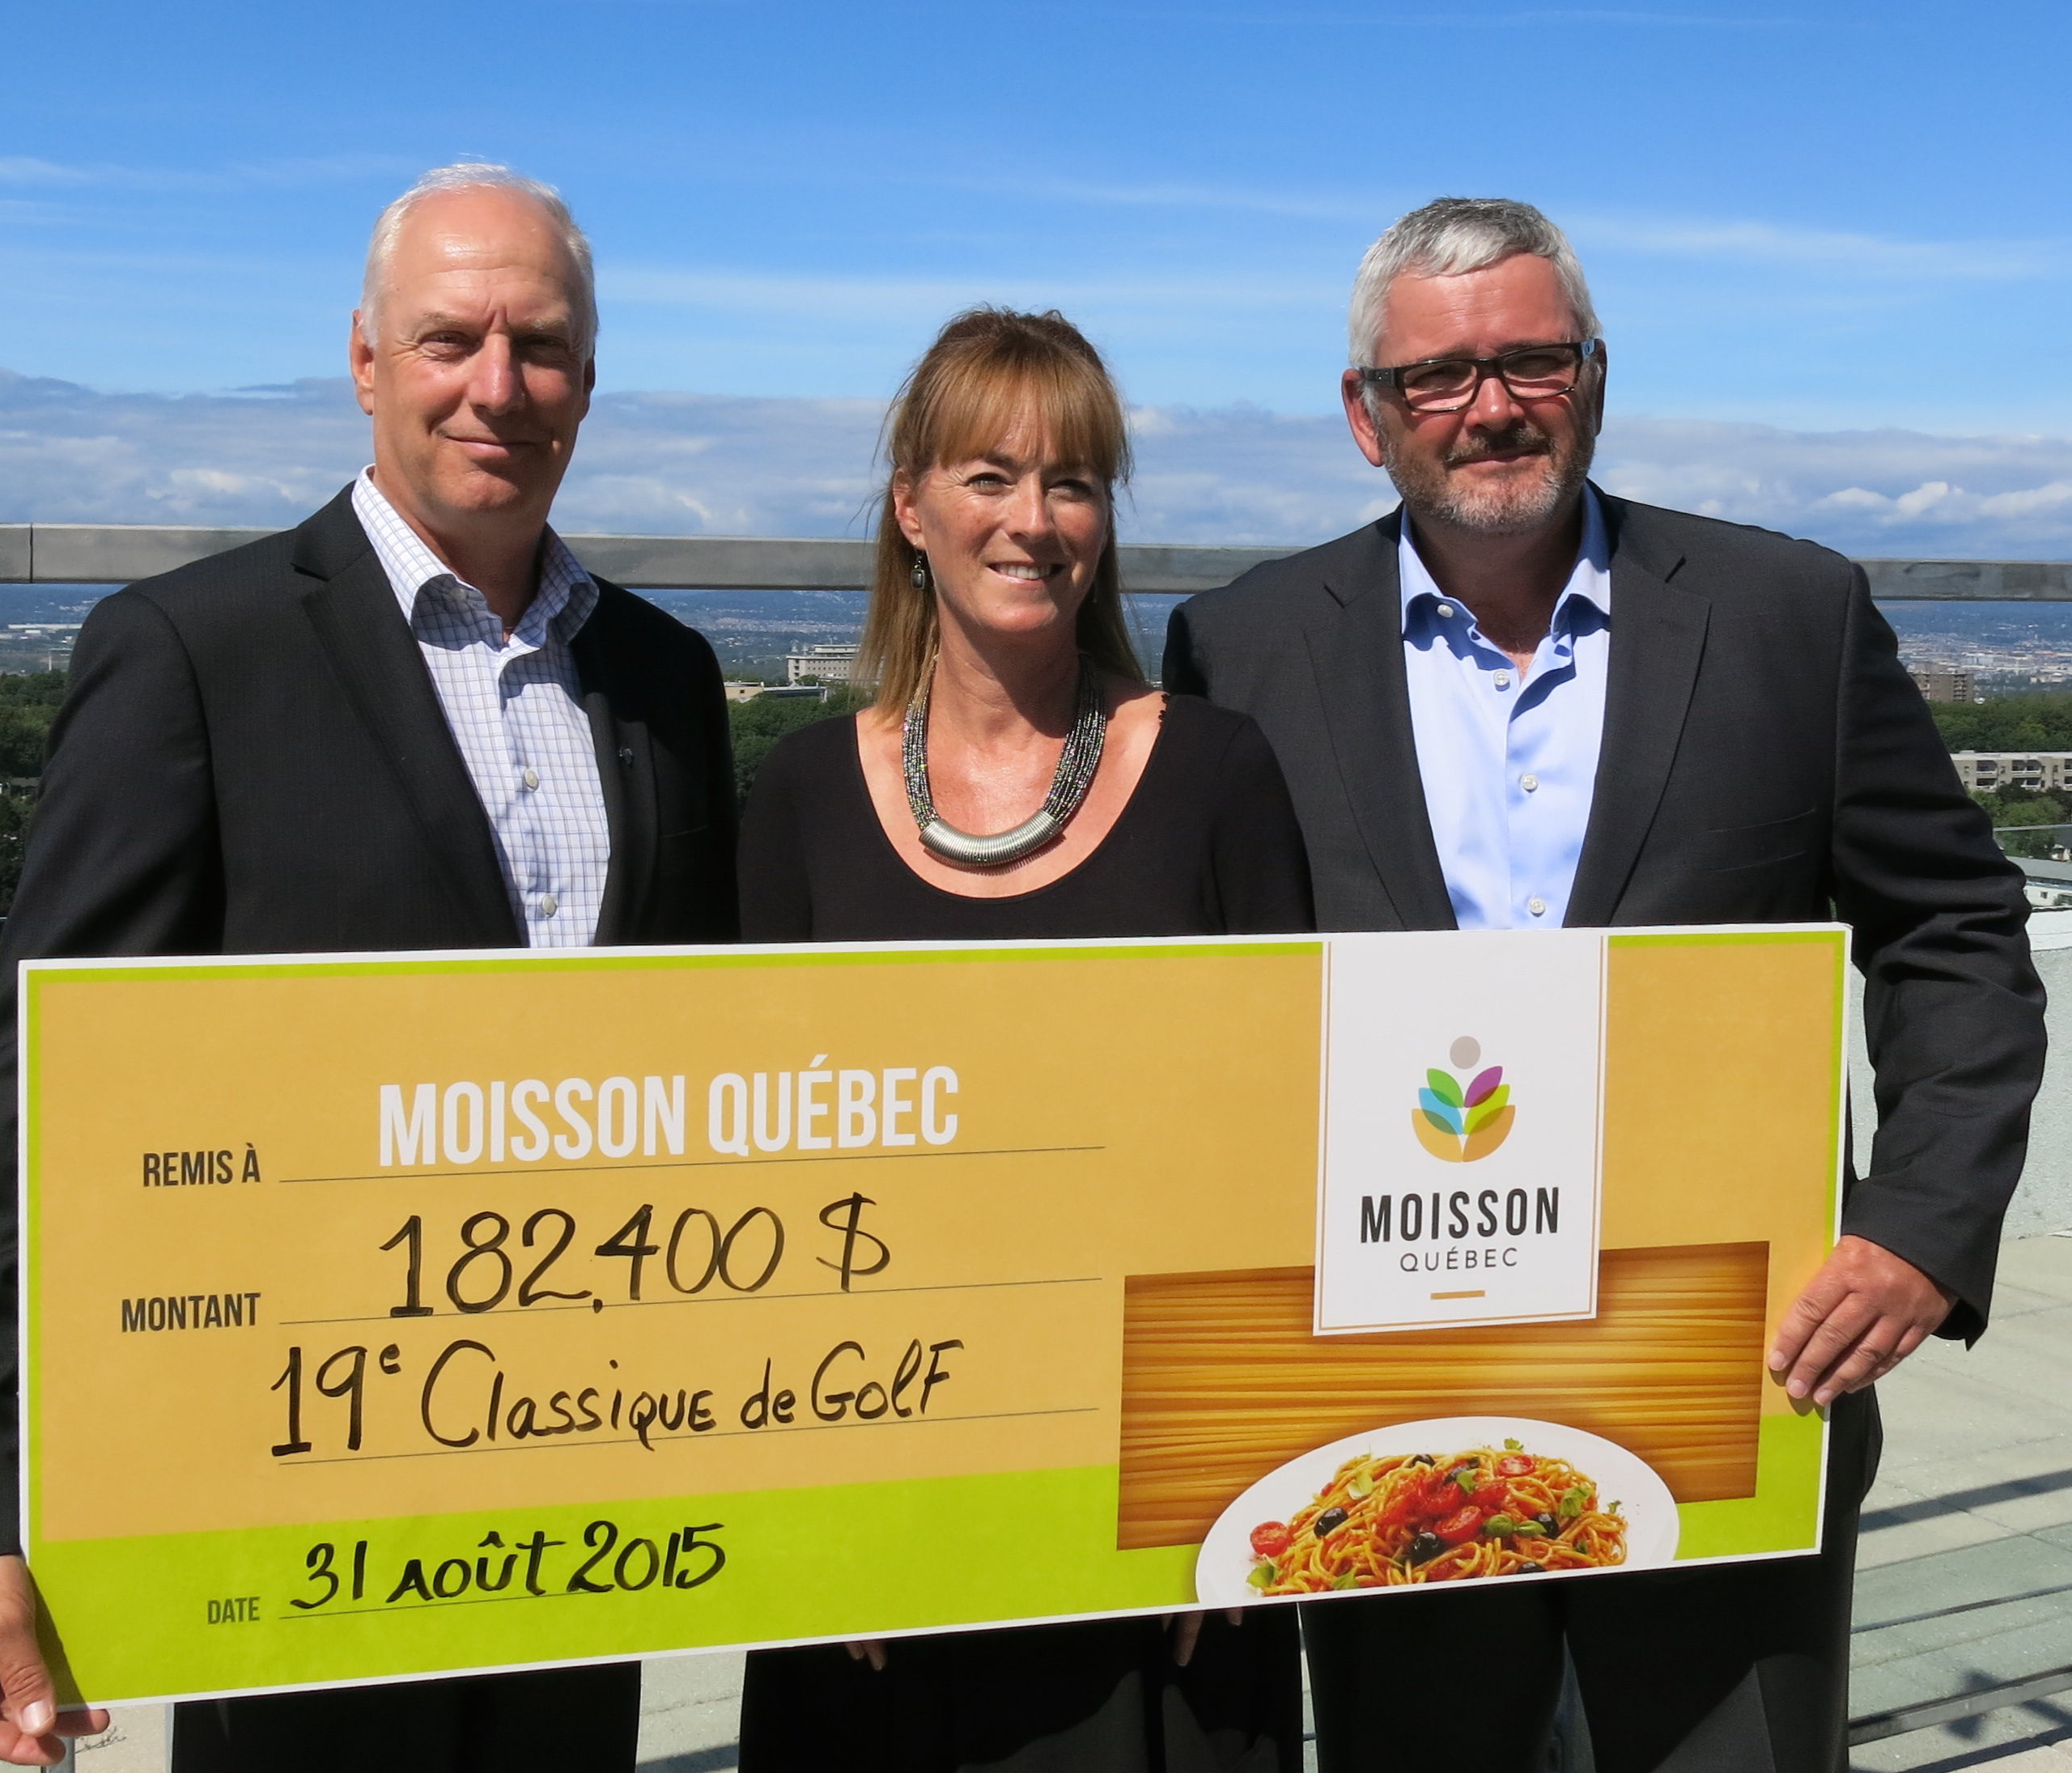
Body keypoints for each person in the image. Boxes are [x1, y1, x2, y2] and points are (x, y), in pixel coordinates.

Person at [1163, 196, 2047, 1772]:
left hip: (1731, 1373)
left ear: (1594, 375)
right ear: (1366, 420)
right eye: (1436, 376)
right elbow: (1189, 1008)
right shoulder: (1238, 648)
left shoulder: (1790, 617)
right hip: (1383, 1407)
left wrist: (1920, 1226)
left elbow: (1955, 928)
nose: (1490, 404)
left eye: (1530, 359)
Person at [0, 163, 737, 1771]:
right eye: (451, 340)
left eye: (542, 345)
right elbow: (35, 1097)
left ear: (588, 376)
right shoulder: (192, 654)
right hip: (289, 1489)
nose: (497, 386)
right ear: (365, 361)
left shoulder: (664, 676)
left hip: (582, 1492)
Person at [737, 307, 1313, 1772]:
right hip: (877, 1525)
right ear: (908, 506)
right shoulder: (799, 796)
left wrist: (1240, 1488)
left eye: (1073, 482)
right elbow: (753, 1190)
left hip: (1165, 1525)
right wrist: (812, 1513)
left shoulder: (1218, 774)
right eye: (988, 475)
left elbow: (1285, 1155)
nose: (1034, 519)